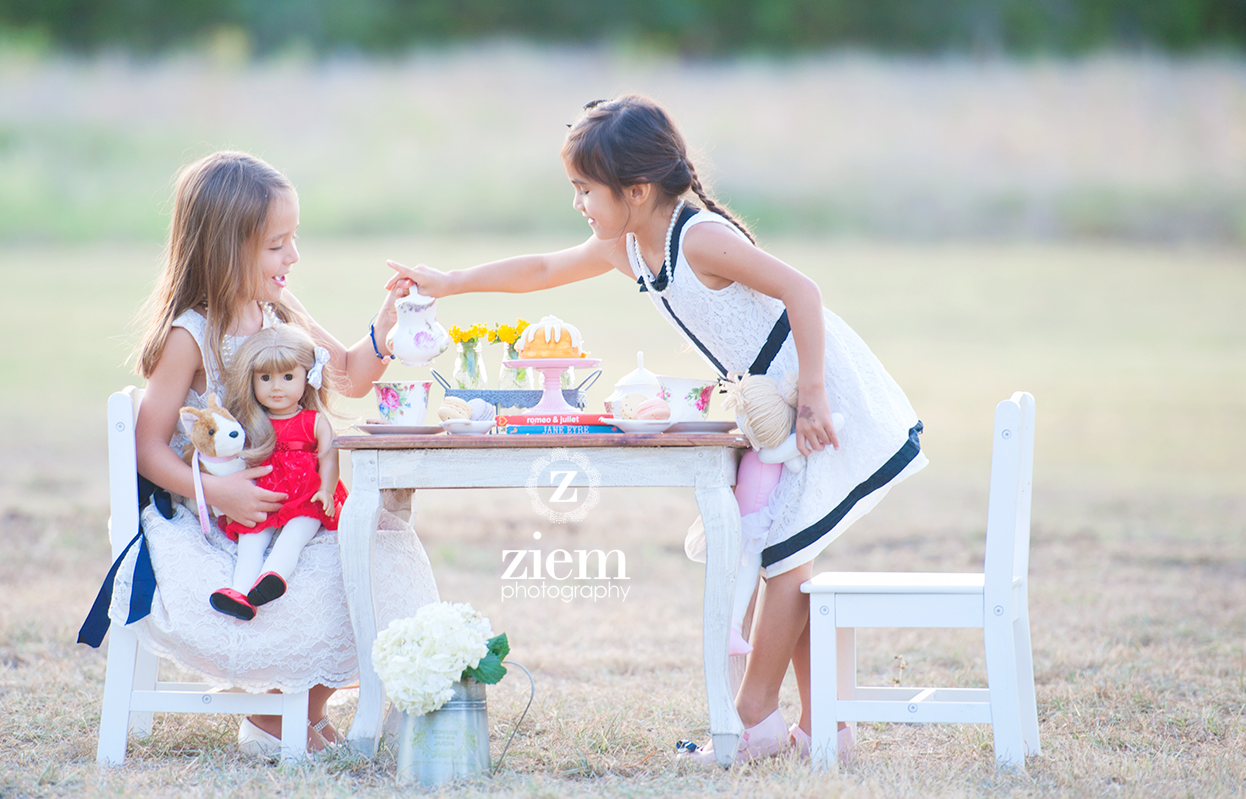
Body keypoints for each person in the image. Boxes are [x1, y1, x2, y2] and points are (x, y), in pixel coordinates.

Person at [386, 95, 926, 763]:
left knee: (785, 556)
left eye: (585, 190)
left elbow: (803, 292)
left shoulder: (698, 237)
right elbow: (546, 269)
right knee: (790, 554)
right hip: (775, 408)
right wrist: (451, 281)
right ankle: (827, 731)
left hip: (821, 401)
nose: (578, 203)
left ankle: (752, 720)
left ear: (636, 191)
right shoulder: (632, 246)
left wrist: (812, 391)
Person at [129, 150, 434, 756]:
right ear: (226, 247)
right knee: (329, 570)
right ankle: (274, 718)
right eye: (277, 245)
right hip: (225, 521)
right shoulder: (192, 334)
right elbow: (146, 448)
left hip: (292, 502)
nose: (293, 257)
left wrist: (389, 320)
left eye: (292, 240)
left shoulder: (279, 313)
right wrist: (220, 492)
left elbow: (348, 376)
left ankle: (300, 710)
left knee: (373, 550)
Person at [209, 325, 348, 621]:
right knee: (251, 539)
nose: (276, 387)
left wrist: (326, 489)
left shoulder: (314, 421)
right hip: (264, 495)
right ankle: (239, 592)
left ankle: (273, 577)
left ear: (307, 379)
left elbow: (329, 456)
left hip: (306, 495)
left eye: (288, 377)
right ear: (252, 381)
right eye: (265, 378)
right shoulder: (251, 423)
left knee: (294, 536)